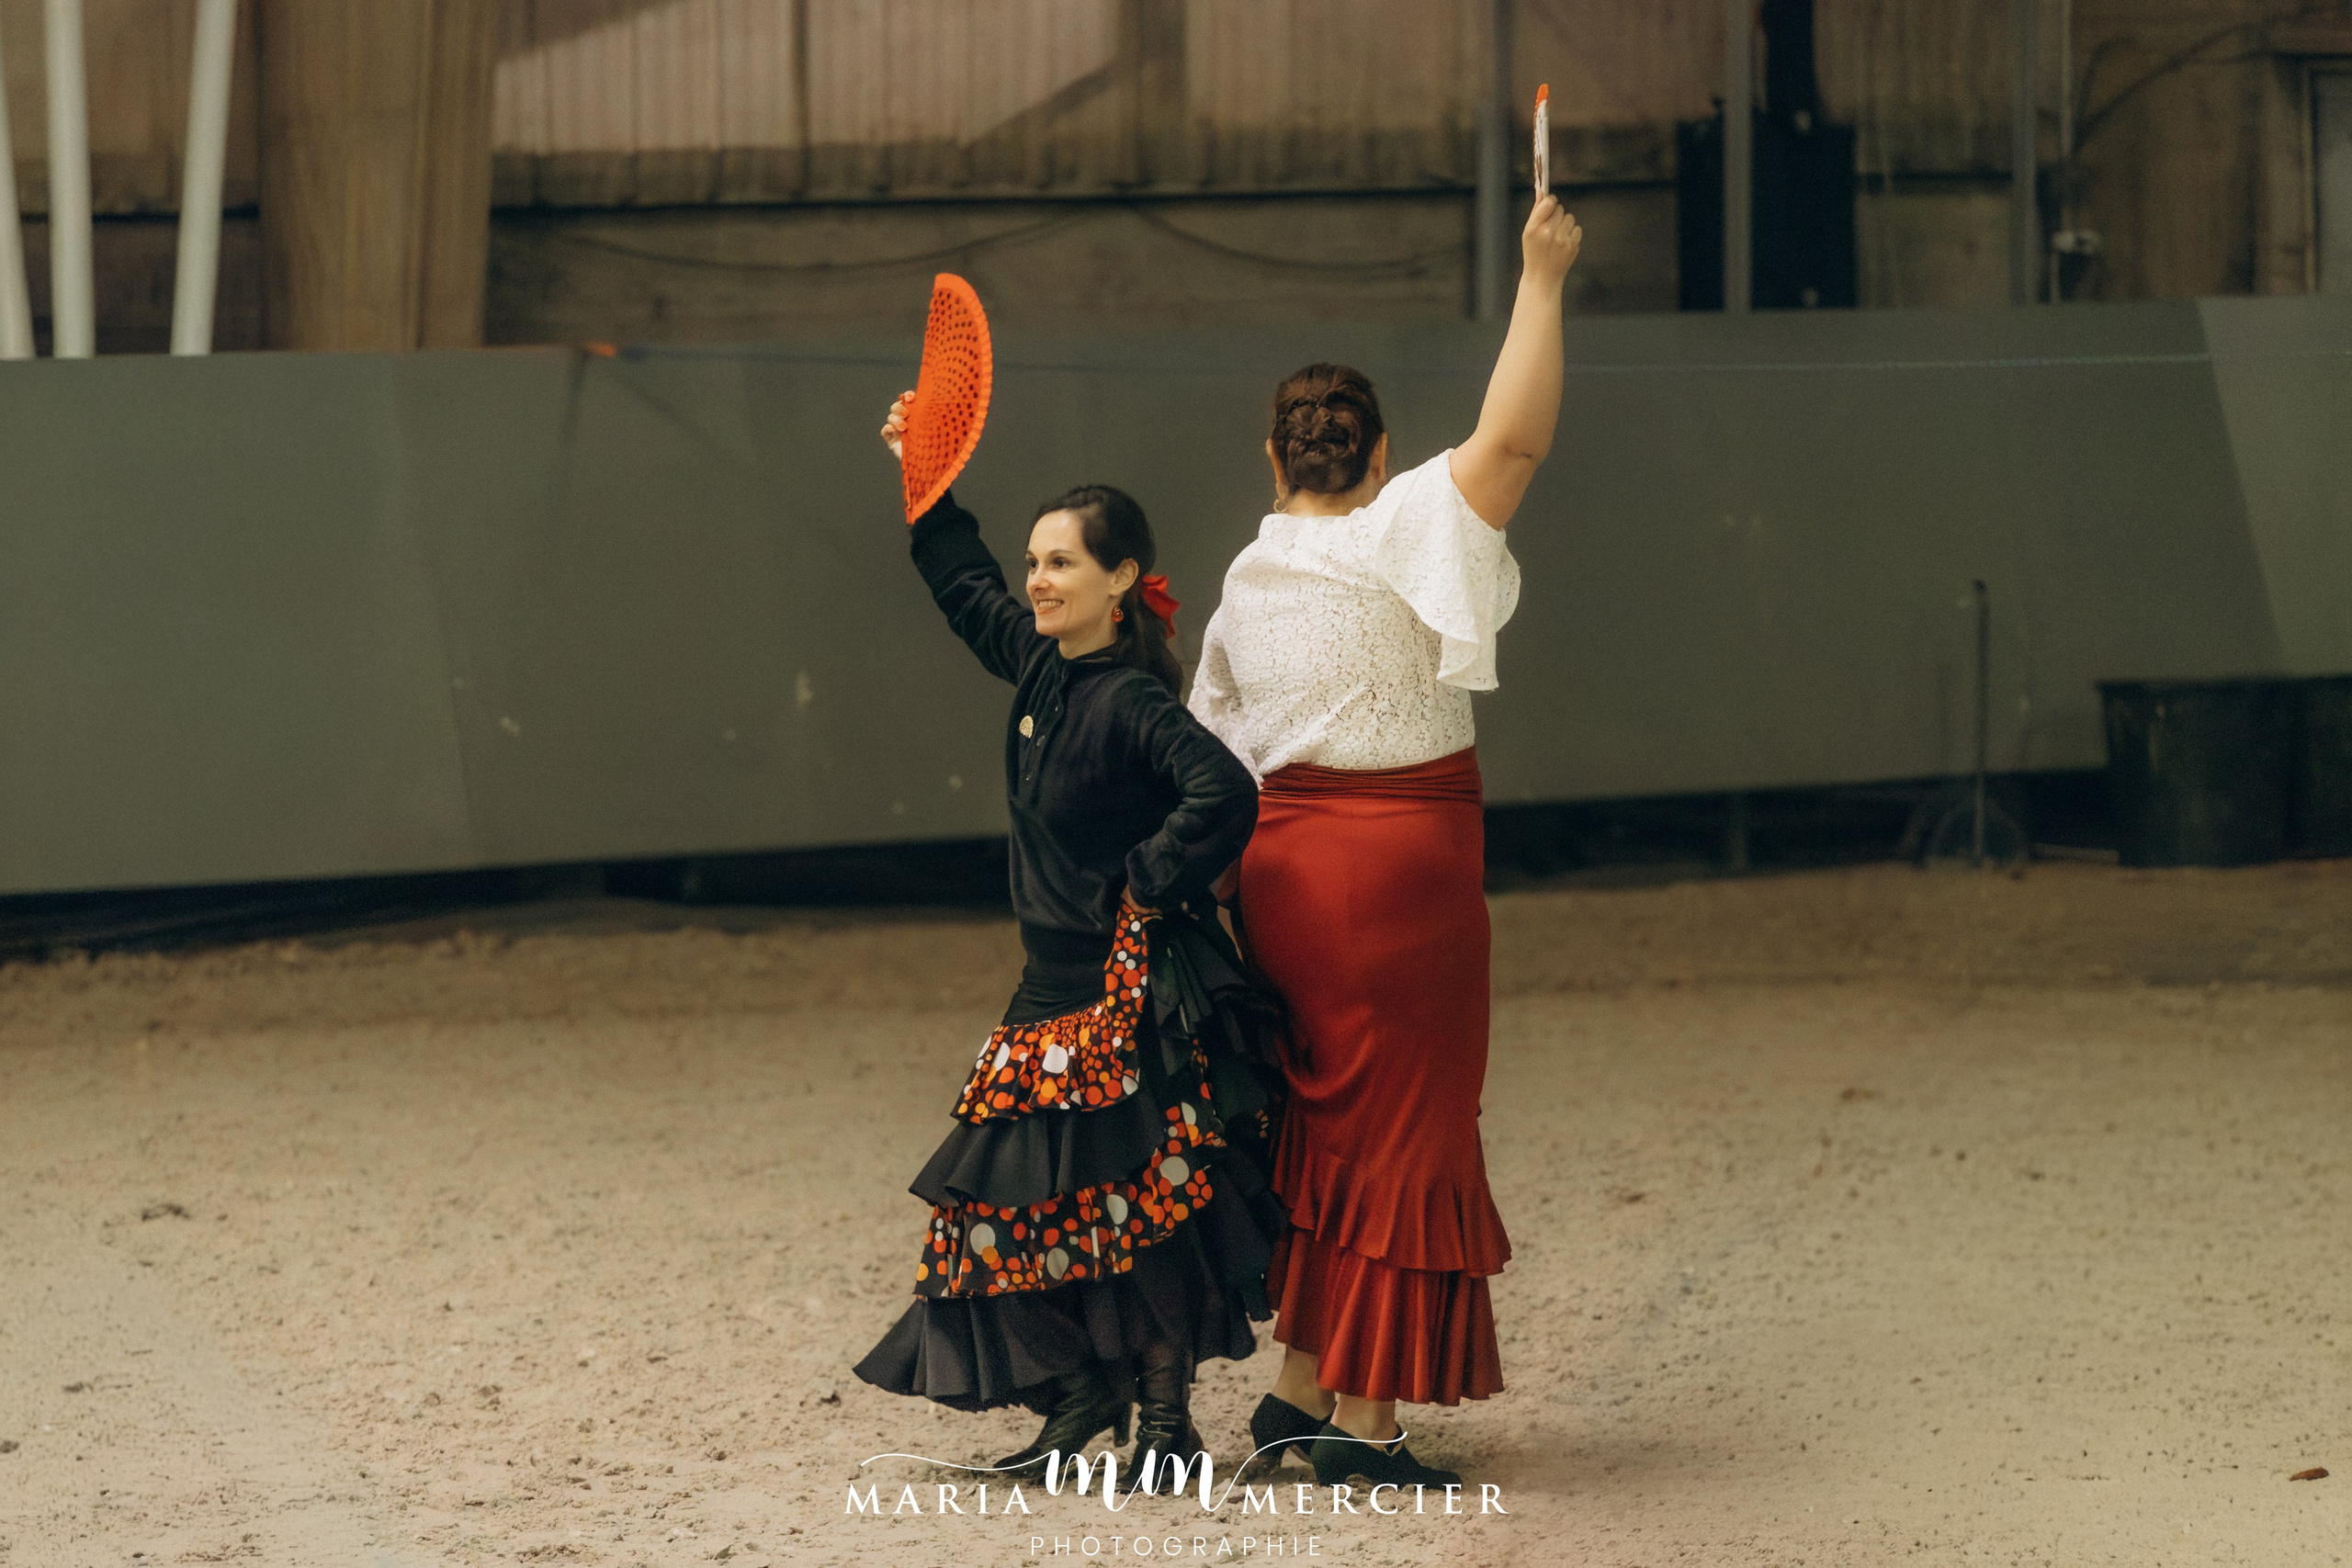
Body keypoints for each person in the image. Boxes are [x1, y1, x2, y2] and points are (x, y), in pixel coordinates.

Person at [1188, 195, 1583, 1487]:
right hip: (1405, 863)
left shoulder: (1248, 582)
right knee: (1414, 1128)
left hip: (1286, 873)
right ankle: (1365, 1423)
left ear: (1274, 456)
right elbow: (1516, 437)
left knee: (1327, 1125)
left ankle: (1301, 1387)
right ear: (1380, 452)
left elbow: (1212, 754)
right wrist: (1540, 276)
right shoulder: (1404, 523)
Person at [853, 392, 1283, 1489]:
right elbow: (962, 585)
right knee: (1001, 1218)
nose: (1038, 580)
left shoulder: (1133, 702)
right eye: (1035, 561)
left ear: (1121, 581)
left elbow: (1223, 790)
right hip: (1046, 995)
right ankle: (1082, 1395)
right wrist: (925, 479)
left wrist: (1144, 881)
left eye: (1061, 564)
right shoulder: (1042, 667)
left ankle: (1165, 1423)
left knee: (1133, 1216)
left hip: (1120, 1003)